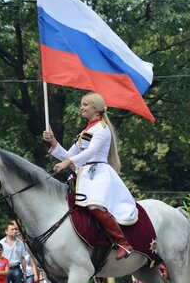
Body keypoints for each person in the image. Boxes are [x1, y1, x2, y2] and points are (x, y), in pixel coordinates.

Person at [43, 92, 137, 260]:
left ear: (97, 108)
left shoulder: (101, 128)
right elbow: (68, 155)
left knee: (95, 206)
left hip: (98, 174)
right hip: (85, 175)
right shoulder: (86, 131)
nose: (81, 107)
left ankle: (123, 243)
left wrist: (67, 163)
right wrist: (53, 142)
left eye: (85, 104)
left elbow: (91, 152)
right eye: (81, 104)